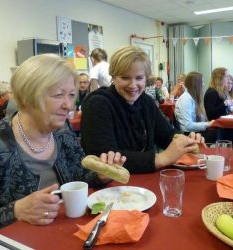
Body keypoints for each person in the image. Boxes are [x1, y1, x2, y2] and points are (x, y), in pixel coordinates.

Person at [0, 54, 126, 231]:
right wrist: (16, 210)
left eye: (72, 95)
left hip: (66, 233)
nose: (69, 105)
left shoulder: (62, 130)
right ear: (28, 97)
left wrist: (100, 175)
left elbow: (79, 176)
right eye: (58, 95)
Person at [81, 45, 204, 174]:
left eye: (139, 78)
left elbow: (167, 135)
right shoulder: (98, 103)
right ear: (113, 77)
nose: (133, 85)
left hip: (145, 184)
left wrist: (187, 141)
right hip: (109, 189)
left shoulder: (146, 102)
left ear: (146, 78)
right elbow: (104, 157)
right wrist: (162, 158)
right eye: (124, 77)